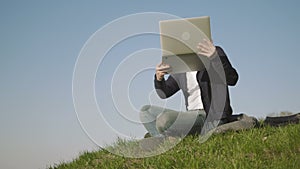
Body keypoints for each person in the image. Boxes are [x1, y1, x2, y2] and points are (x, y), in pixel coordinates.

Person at [140, 39, 240, 138]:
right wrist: (159, 78)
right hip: (191, 116)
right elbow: (164, 93)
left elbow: (232, 79)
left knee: (164, 120)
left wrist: (214, 57)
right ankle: (162, 139)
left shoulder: (215, 53)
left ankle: (165, 137)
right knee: (146, 111)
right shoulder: (181, 66)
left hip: (210, 116)